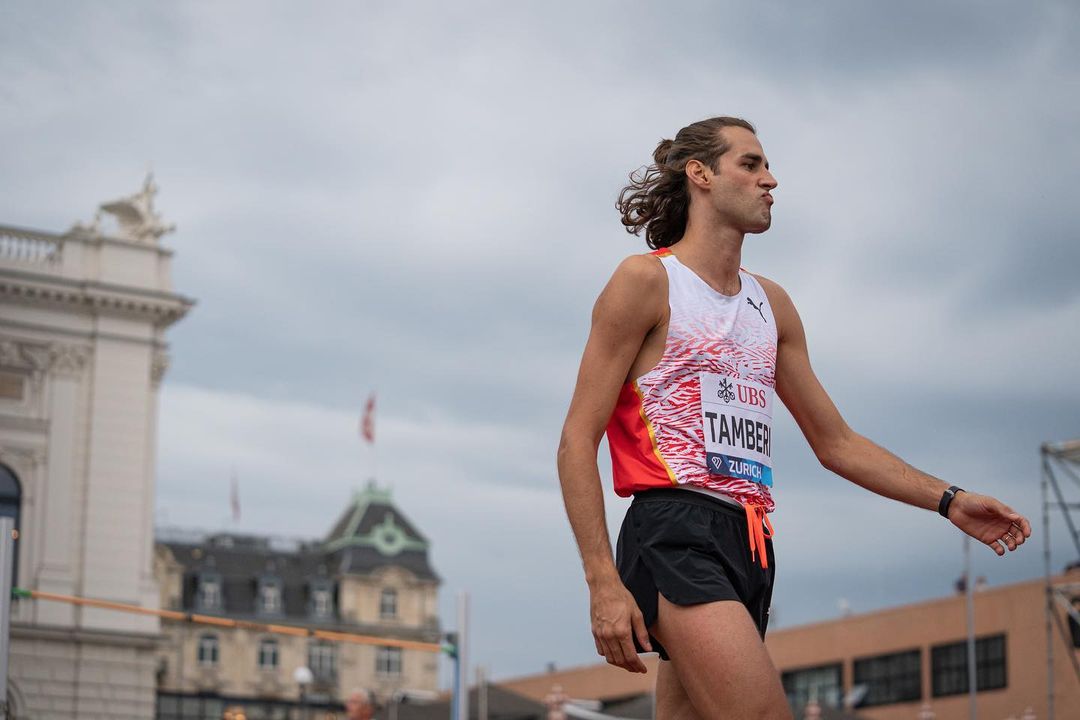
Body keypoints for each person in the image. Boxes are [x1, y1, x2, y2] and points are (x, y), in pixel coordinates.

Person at [556, 116, 1032, 719]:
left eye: (767, 166)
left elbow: (837, 443)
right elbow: (576, 441)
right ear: (700, 174)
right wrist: (602, 580)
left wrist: (950, 500)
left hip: (751, 540)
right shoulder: (647, 281)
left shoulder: (771, 304)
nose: (771, 180)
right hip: (674, 529)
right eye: (750, 164)